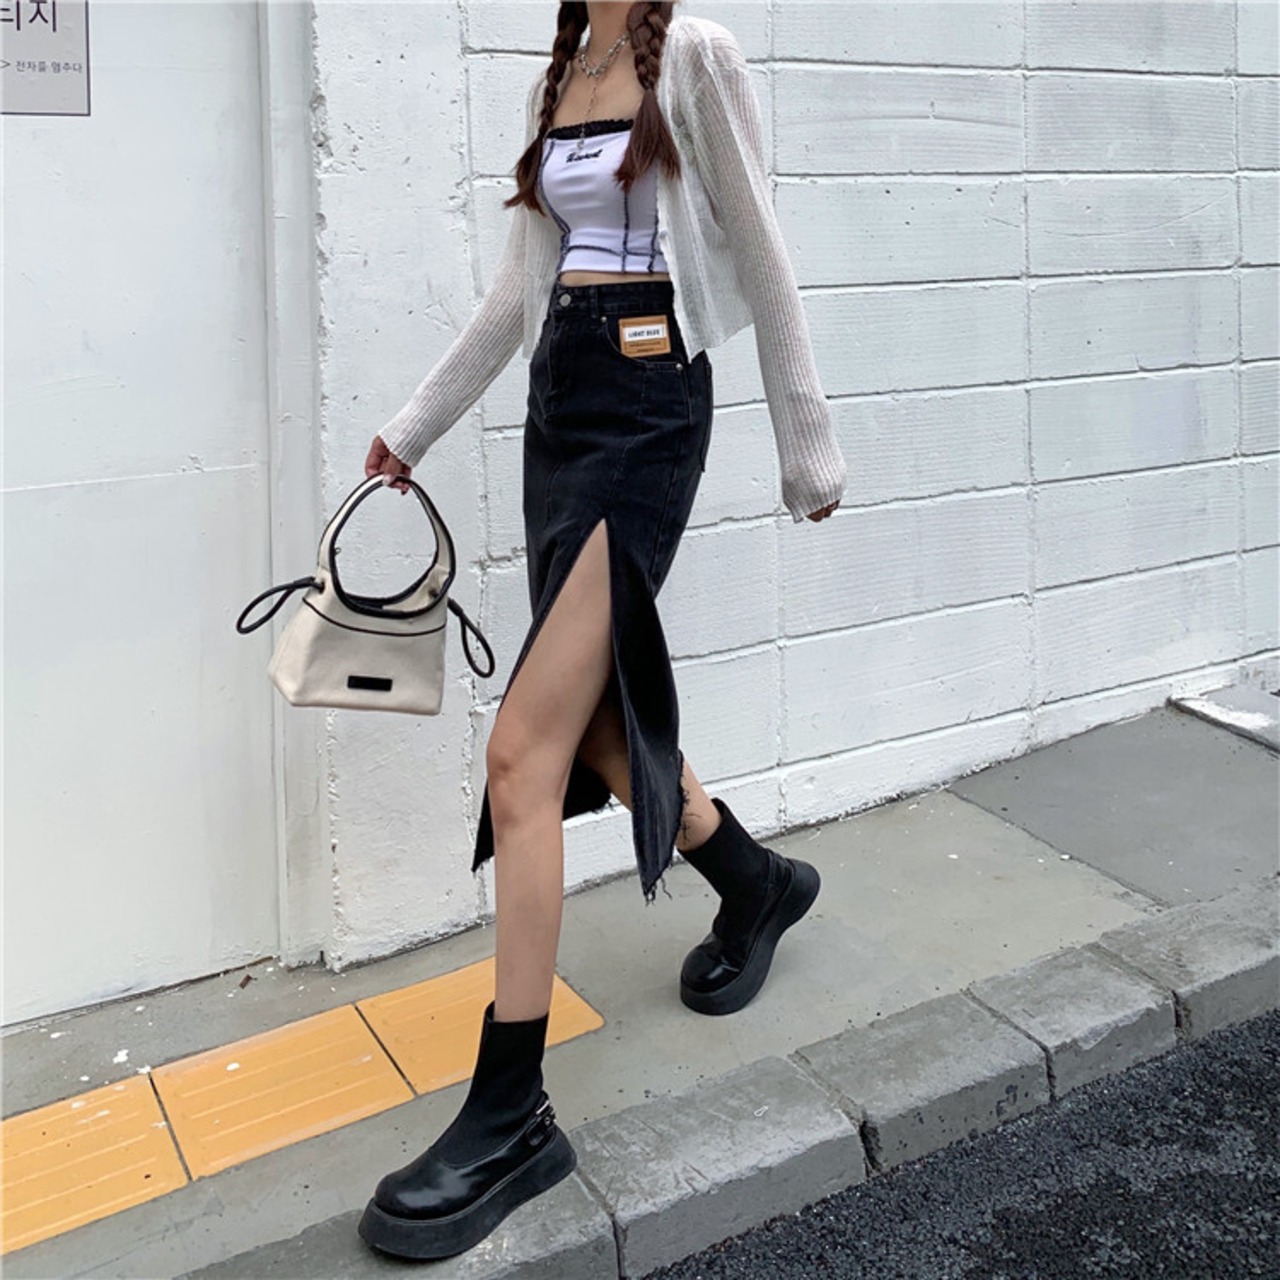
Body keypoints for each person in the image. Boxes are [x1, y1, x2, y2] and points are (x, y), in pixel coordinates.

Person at [356, 0, 846, 1261]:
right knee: (591, 726)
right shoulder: (559, 75)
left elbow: (761, 248)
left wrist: (806, 441)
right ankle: (755, 882)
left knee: (520, 752)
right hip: (558, 408)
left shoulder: (696, 57)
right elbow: (514, 295)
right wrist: (411, 430)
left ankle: (512, 1110)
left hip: (646, 405)